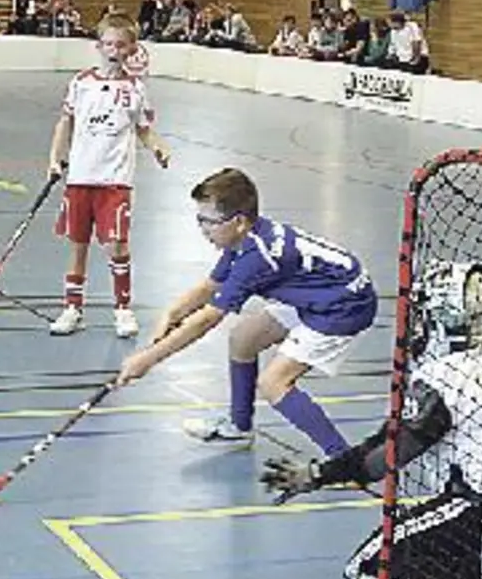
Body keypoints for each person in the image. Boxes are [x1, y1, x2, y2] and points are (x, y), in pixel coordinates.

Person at [259, 260, 482, 579]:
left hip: (476, 505)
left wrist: (318, 474)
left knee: (366, 568)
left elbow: (386, 456)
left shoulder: (443, 377)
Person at [114, 168, 376, 458]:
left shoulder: (257, 257)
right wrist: (171, 313)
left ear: (238, 221)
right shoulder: (242, 240)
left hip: (343, 304)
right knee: (243, 339)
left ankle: (344, 461)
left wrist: (147, 359)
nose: (203, 229)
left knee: (273, 383)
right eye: (200, 220)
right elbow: (210, 287)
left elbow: (208, 319)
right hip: (316, 293)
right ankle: (239, 428)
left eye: (209, 222)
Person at [45, 12, 170, 338]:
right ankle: (73, 308)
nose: (114, 51)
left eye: (121, 45)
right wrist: (55, 158)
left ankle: (123, 309)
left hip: (114, 181)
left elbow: (144, 129)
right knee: (78, 246)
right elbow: (65, 122)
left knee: (117, 245)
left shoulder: (135, 89)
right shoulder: (81, 83)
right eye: (109, 44)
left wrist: (158, 147)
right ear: (99, 46)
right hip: (80, 178)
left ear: (132, 49)